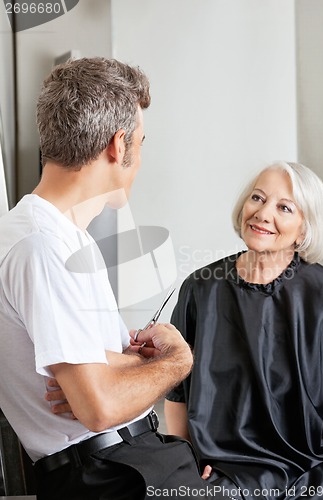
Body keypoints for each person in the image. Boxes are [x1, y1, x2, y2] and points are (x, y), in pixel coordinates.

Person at [0, 57, 227, 500]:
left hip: (131, 460)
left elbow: (102, 373)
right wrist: (178, 361)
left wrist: (116, 367)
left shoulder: (59, 238)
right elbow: (100, 407)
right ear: (118, 144)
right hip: (110, 474)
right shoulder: (43, 247)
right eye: (141, 142)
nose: (140, 158)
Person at [164, 161, 323, 500]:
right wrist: (185, 459)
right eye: (257, 198)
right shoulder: (200, 289)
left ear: (303, 228)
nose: (263, 213)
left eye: (284, 207)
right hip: (221, 474)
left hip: (307, 471)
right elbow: (177, 392)